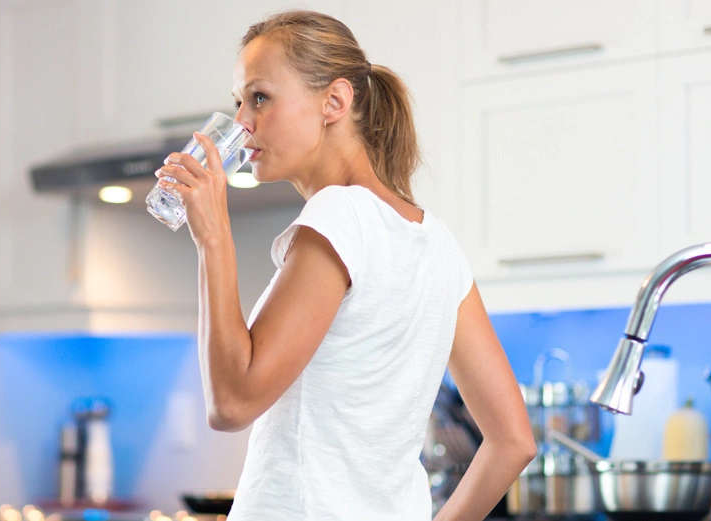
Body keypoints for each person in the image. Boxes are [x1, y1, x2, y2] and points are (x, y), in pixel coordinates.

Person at [156, 9, 535, 520]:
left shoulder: (341, 215)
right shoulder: (437, 243)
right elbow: (513, 441)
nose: (242, 122)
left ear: (334, 102)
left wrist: (213, 237)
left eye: (260, 97)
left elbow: (232, 403)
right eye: (239, 102)